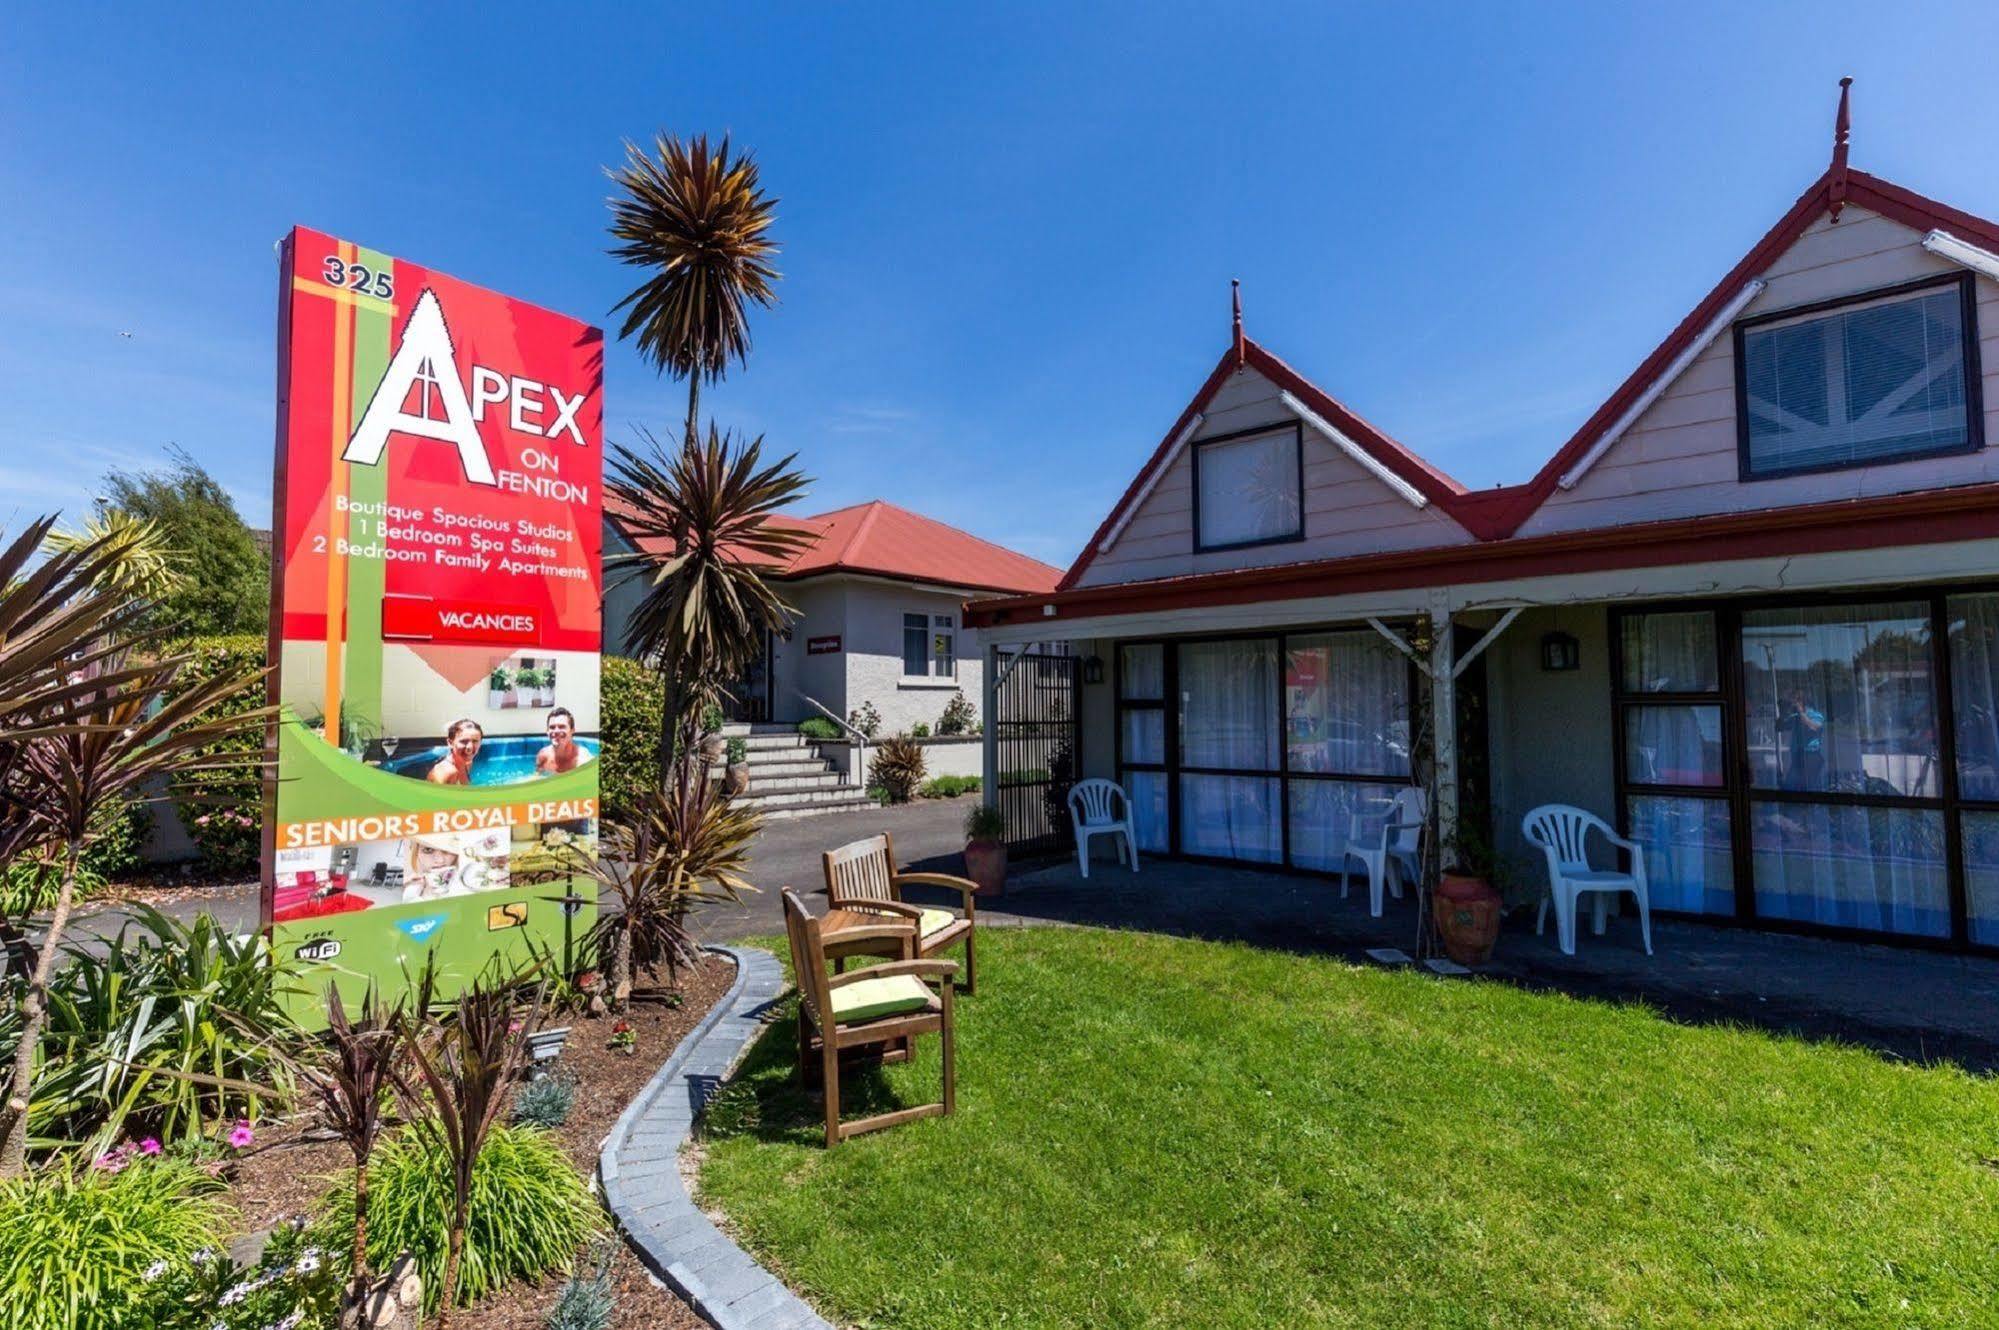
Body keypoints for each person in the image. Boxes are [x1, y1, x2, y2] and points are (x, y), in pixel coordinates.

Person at [1778, 689, 1825, 791]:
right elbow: (1780, 727)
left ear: (1802, 702)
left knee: (1807, 787)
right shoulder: (1795, 717)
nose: (1793, 705)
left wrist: (1801, 713)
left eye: (1795, 702)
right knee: (1790, 787)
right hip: (1797, 756)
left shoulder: (1816, 715)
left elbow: (1813, 727)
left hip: (1811, 756)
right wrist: (1782, 711)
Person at [535, 706, 591, 776]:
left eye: (562, 727)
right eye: (552, 727)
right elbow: (537, 777)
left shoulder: (583, 759)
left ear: (572, 730)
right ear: (547, 731)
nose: (556, 731)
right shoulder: (543, 756)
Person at [427, 718, 482, 785]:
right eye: (463, 741)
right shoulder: (446, 772)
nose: (470, 747)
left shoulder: (467, 763)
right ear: (450, 743)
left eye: (475, 741)